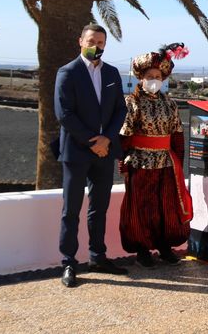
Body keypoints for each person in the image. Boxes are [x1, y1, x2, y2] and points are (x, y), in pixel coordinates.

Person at [55, 23, 129, 288]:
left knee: (99, 207)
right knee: (71, 210)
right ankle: (68, 263)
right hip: (76, 152)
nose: (95, 46)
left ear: (105, 45)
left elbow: (120, 109)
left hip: (105, 151)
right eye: (90, 41)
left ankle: (98, 256)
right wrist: (92, 141)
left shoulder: (111, 73)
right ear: (80, 41)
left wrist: (107, 138)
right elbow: (65, 114)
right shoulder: (67, 72)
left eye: (99, 42)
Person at [119, 43, 193, 268]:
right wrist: (122, 161)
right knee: (140, 208)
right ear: (140, 77)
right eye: (150, 75)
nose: (154, 79)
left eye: (158, 76)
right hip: (140, 162)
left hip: (165, 163)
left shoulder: (170, 104)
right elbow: (124, 135)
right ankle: (142, 249)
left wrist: (178, 161)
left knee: (166, 206)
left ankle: (164, 246)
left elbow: (177, 135)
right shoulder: (131, 103)